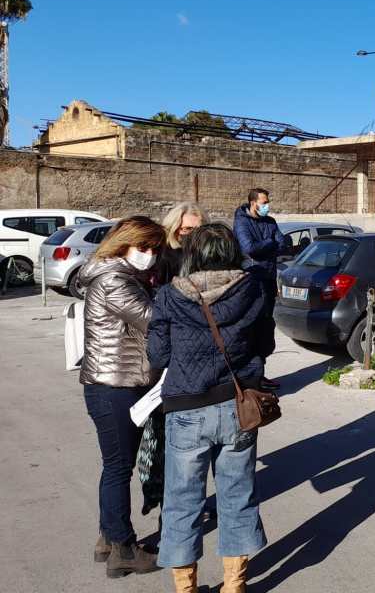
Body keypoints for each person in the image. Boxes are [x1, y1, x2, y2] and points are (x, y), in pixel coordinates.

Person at [147, 223, 272, 593]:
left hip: (186, 407)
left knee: (182, 502)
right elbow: (264, 344)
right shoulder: (254, 289)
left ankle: (185, 589)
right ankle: (235, 585)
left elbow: (157, 354)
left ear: (193, 255)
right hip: (237, 405)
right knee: (238, 496)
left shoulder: (170, 296)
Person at [79, 215, 166, 578]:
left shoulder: (122, 276)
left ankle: (108, 539)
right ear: (123, 244)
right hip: (113, 386)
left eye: (154, 250)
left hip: (117, 382)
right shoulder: (114, 280)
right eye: (143, 248)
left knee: (114, 466)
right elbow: (153, 319)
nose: (150, 256)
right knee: (118, 468)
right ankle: (123, 548)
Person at [233, 188, 285, 384]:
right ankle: (249, 378)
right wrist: (271, 242)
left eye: (267, 202)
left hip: (269, 278)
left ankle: (259, 375)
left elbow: (283, 244)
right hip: (252, 280)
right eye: (263, 203)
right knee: (251, 327)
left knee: (265, 328)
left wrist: (268, 244)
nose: (266, 206)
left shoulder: (270, 222)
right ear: (253, 203)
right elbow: (248, 248)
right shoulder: (241, 222)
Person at [156, 202, 209, 286]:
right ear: (174, 227)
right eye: (187, 229)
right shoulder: (162, 255)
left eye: (199, 229)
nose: (194, 234)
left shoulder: (206, 252)